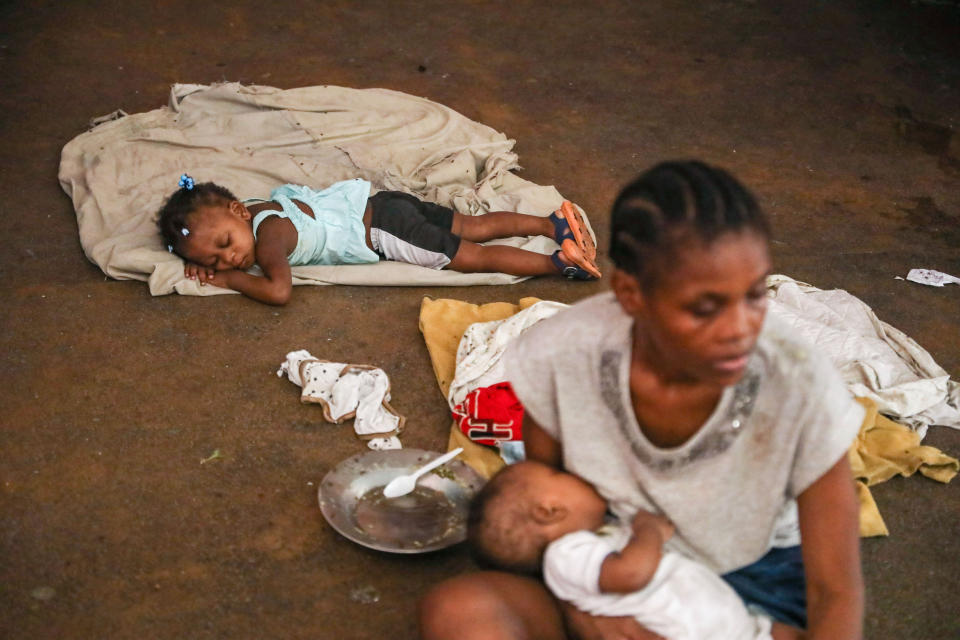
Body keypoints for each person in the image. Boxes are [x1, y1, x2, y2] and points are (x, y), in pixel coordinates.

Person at [419, 161, 865, 640]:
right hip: (616, 562)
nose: (740, 330)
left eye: (754, 294)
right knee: (460, 611)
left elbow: (834, 593)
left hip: (754, 595)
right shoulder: (567, 358)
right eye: (705, 306)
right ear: (631, 294)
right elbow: (550, 509)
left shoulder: (798, 386)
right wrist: (586, 605)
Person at [468, 460, 803, 640]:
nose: (574, 472)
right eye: (560, 474)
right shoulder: (566, 553)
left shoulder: (590, 541)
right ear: (549, 511)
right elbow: (630, 574)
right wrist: (649, 531)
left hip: (728, 619)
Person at [156, 174, 600, 305]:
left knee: (475, 257)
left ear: (239, 215)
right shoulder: (254, 207)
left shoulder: (269, 239)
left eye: (224, 244)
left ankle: (558, 264)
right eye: (215, 262)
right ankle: (550, 223)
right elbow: (206, 237)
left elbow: (278, 290)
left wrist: (232, 282)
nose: (230, 259)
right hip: (385, 202)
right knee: (471, 224)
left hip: (387, 230)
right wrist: (202, 261)